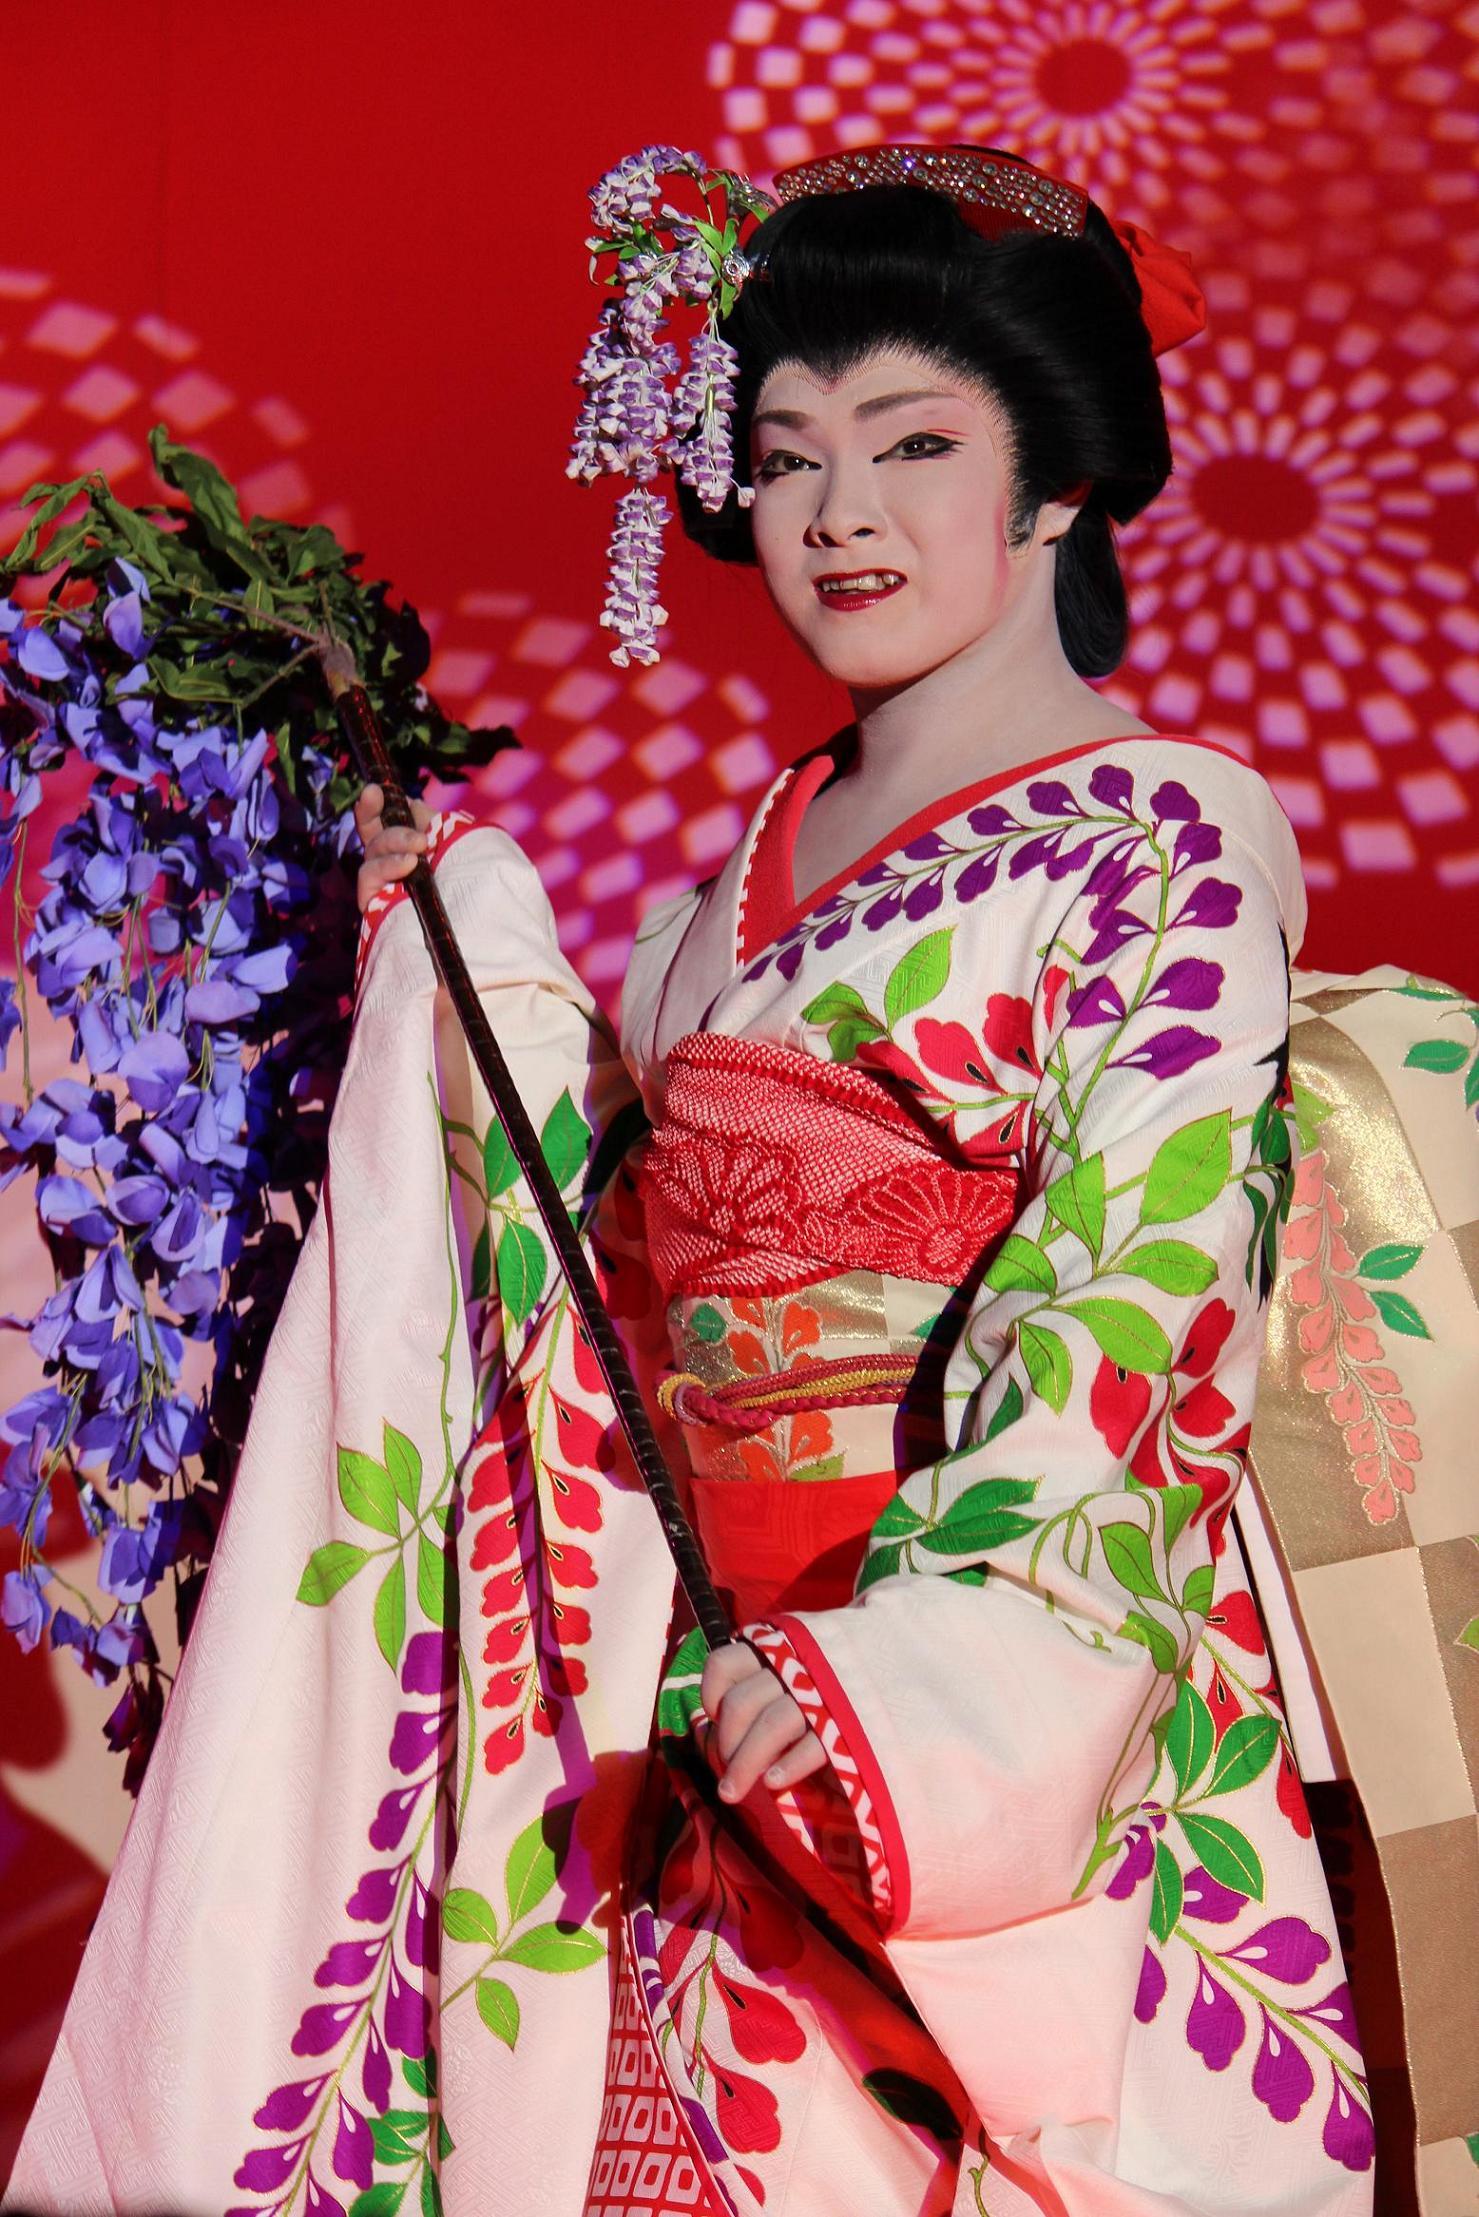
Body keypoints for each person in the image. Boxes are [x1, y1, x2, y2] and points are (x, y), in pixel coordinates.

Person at [6, 146, 1375, 2217]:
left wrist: (908, 1674)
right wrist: (461, 966)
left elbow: (1130, 1288)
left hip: (965, 1707)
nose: (837, 511)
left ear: (1058, 480)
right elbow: (613, 1263)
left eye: (914, 442)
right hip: (710, 1713)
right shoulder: (726, 892)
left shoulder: (1162, 837)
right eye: (788, 452)